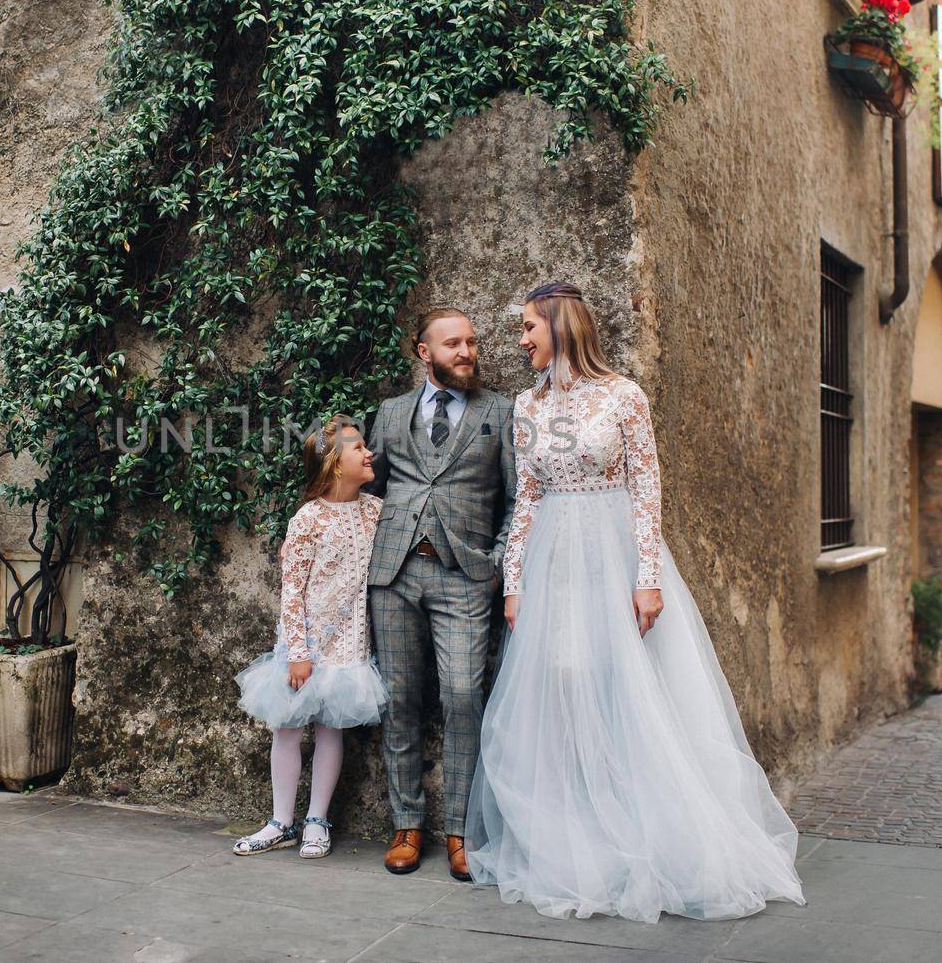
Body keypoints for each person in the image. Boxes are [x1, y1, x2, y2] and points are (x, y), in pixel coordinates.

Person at [464, 281, 805, 921]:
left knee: (629, 687)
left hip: (615, 552)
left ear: (561, 328)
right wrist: (514, 582)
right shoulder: (526, 407)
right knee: (563, 690)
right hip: (552, 563)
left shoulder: (625, 396)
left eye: (530, 328)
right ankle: (580, 835)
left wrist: (646, 576)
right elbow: (527, 498)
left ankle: (648, 834)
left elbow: (648, 490)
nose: (521, 340)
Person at [364, 308, 516, 880]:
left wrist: (496, 563)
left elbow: (517, 499)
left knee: (462, 698)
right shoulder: (391, 413)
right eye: (453, 343)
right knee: (399, 699)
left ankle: (460, 829)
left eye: (472, 343)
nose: (467, 352)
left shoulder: (501, 412)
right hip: (395, 576)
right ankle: (407, 825)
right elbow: (368, 491)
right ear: (423, 352)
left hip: (464, 578)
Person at [234, 415, 389, 859]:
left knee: (331, 728)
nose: (368, 453)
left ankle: (317, 819)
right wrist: (299, 651)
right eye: (358, 448)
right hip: (306, 644)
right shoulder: (307, 520)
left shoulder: (375, 512)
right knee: (287, 727)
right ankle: (281, 820)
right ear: (336, 464)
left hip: (349, 644)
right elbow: (292, 590)